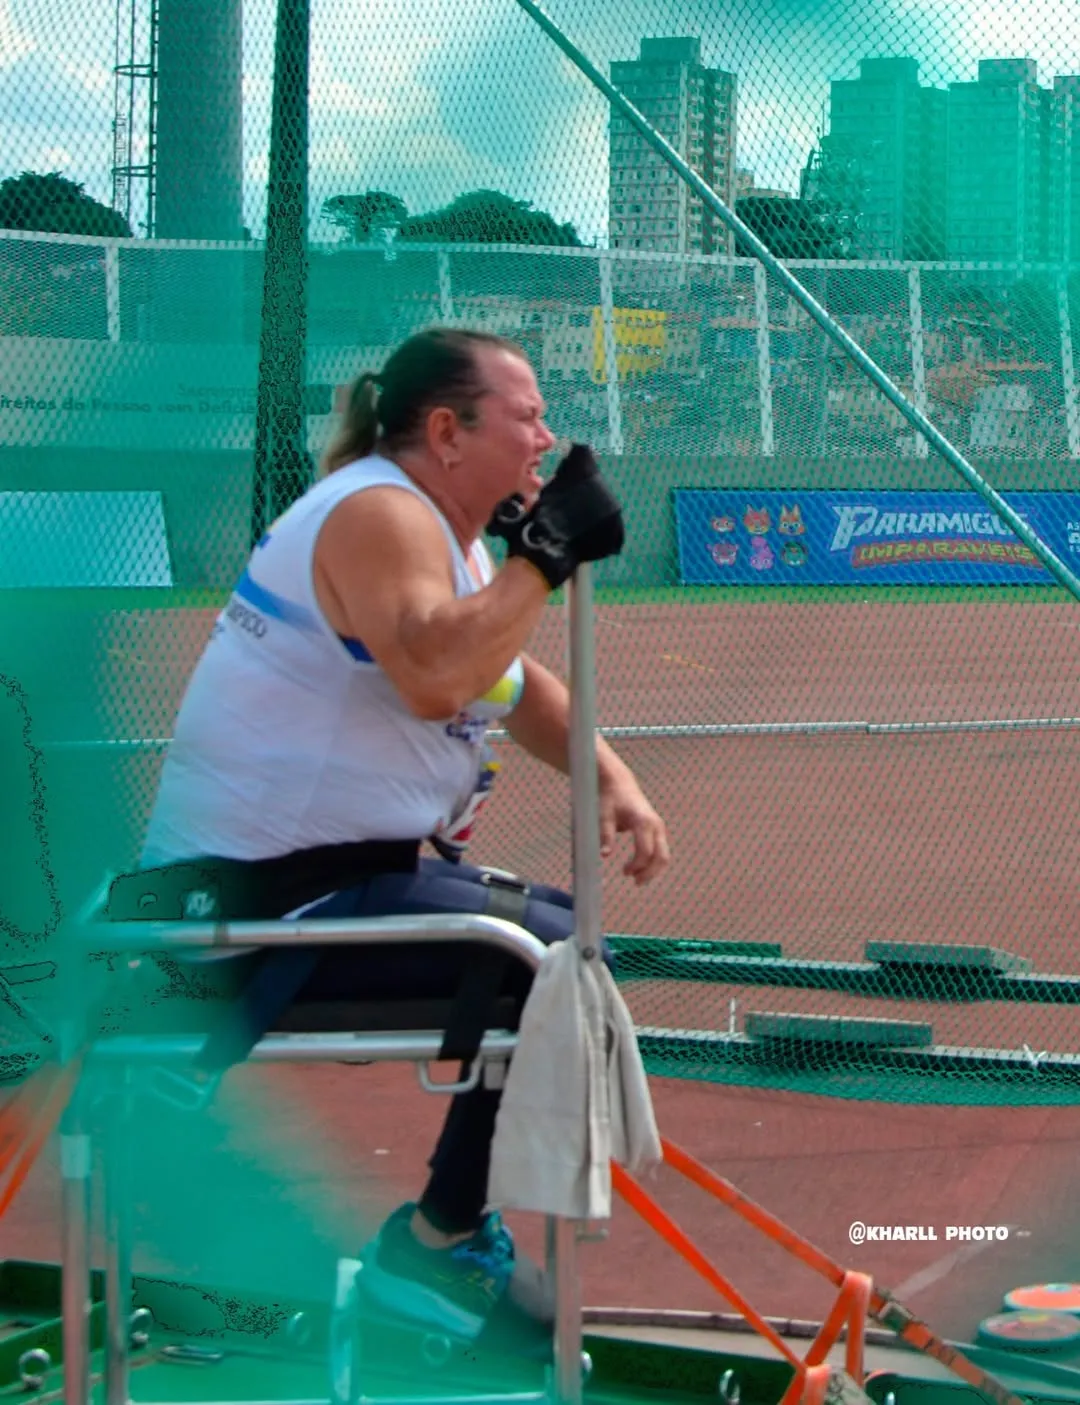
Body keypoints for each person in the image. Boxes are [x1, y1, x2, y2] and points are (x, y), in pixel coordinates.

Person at [126, 327, 670, 1348]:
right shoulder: (378, 512)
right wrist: (543, 559)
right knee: (551, 959)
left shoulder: (442, 536)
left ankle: (442, 1240)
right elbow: (435, 675)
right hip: (252, 903)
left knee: (562, 932)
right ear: (444, 431)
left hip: (318, 885)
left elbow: (511, 683)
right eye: (526, 417)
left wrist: (610, 774)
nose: (545, 438)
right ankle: (434, 1250)